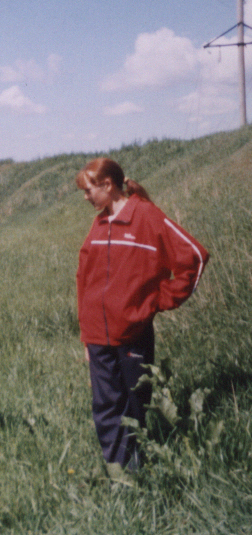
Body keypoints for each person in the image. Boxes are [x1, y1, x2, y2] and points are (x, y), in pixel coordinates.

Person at [75, 158, 209, 470]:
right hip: (97, 335)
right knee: (106, 406)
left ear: (108, 185)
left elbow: (194, 257)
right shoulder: (98, 225)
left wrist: (158, 300)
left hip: (132, 333)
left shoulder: (146, 216)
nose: (85, 197)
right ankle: (119, 475)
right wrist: (86, 334)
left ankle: (136, 468)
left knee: (134, 405)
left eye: (88, 189)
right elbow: (83, 280)